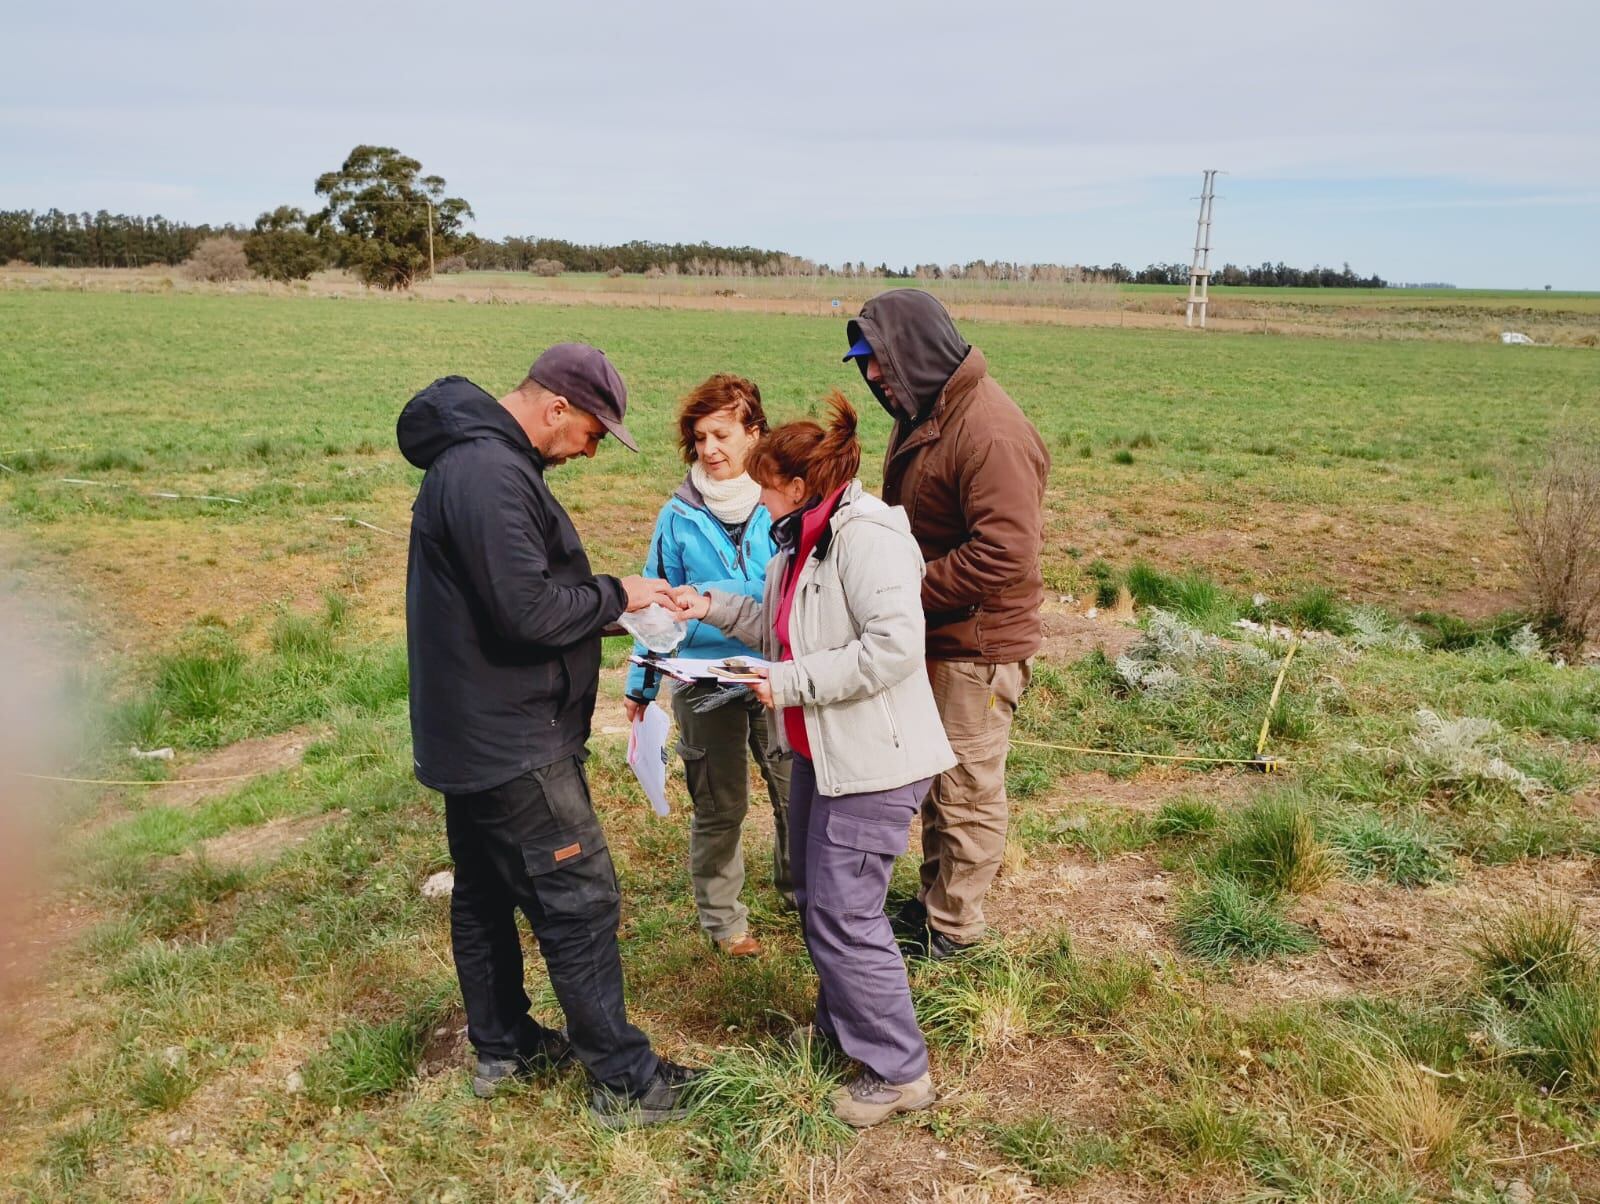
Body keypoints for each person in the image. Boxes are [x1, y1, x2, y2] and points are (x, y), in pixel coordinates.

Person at [398, 343, 700, 1128]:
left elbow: (512, 596)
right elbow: (525, 613)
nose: (593, 451)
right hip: (510, 739)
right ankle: (628, 1086)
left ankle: (504, 1046)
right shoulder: (490, 474)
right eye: (596, 433)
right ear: (555, 407)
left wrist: (611, 608)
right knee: (578, 899)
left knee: (488, 891)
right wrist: (616, 595)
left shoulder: (478, 463)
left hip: (471, 732)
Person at [675, 394, 956, 1128]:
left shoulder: (866, 538)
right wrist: (701, 603)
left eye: (767, 484)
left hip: (875, 762)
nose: (757, 494)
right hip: (820, 754)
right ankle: (847, 1033)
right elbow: (777, 623)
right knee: (819, 902)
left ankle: (900, 1071)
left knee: (846, 912)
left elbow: (895, 647)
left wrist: (790, 683)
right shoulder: (801, 538)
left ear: (797, 487)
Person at [842, 290, 1050, 960]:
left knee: (966, 788)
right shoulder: (927, 409)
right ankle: (937, 902)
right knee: (935, 778)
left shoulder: (988, 431)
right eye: (865, 363)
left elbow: (1004, 552)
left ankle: (956, 932)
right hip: (937, 633)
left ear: (917, 351)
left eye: (880, 361)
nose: (872, 376)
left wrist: (904, 593)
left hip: (977, 643)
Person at [623, 374, 792, 958]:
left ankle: (803, 894)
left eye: (721, 434)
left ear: (754, 432)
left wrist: (709, 594)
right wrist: (641, 685)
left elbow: (789, 590)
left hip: (777, 673)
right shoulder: (676, 516)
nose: (710, 450)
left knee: (795, 789)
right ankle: (725, 924)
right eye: (699, 438)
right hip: (699, 679)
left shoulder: (784, 504)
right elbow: (651, 602)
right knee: (720, 805)